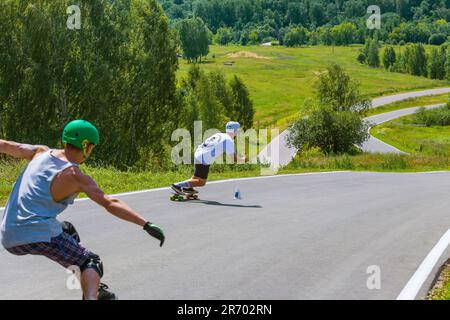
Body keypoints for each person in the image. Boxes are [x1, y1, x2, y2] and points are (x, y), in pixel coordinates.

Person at [0, 120, 165, 300]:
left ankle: (94, 287)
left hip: (8, 235)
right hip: (36, 232)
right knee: (91, 262)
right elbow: (110, 203)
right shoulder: (75, 176)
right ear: (86, 146)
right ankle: (92, 295)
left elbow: (7, 146)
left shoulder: (40, 152)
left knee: (68, 230)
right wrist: (146, 224)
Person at [171, 121, 245, 195]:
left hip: (199, 153)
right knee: (201, 182)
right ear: (235, 131)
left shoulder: (219, 134)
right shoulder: (229, 140)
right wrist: (245, 159)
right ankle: (177, 185)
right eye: (238, 130)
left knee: (197, 177)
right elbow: (234, 159)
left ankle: (187, 187)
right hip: (204, 158)